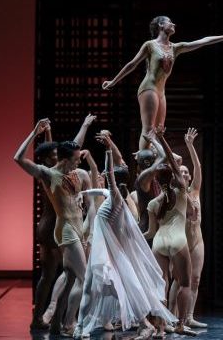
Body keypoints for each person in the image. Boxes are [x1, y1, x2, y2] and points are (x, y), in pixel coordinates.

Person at [73, 144, 177, 338]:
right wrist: (83, 193)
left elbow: (110, 179)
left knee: (122, 291)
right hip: (104, 252)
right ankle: (80, 327)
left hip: (109, 255)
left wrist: (108, 152)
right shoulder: (111, 196)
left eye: (107, 173)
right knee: (92, 287)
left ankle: (144, 324)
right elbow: (100, 190)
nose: (105, 175)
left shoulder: (116, 198)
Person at [103, 15, 223, 150]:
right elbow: (132, 64)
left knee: (159, 131)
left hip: (161, 91)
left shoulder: (175, 47)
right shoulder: (150, 45)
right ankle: (144, 160)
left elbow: (202, 42)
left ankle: (157, 162)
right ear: (161, 25)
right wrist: (114, 81)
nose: (173, 24)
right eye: (170, 22)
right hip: (149, 88)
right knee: (148, 128)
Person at [15, 119, 94, 336]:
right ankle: (71, 323)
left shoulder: (71, 170)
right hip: (62, 228)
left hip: (77, 227)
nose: (78, 162)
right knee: (80, 277)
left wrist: (85, 126)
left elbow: (72, 146)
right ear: (66, 159)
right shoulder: (49, 174)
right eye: (76, 160)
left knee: (68, 279)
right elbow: (18, 158)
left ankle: (58, 324)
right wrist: (34, 132)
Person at [143, 129, 198, 336]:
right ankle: (181, 324)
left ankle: (160, 326)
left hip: (159, 242)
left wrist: (133, 239)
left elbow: (149, 232)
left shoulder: (153, 203)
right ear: (174, 176)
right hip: (177, 240)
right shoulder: (181, 190)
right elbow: (172, 161)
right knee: (185, 283)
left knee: (161, 285)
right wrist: (161, 138)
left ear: (157, 181)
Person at [180, 128, 208, 328]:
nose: (185, 174)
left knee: (195, 279)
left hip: (197, 240)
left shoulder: (195, 191)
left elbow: (198, 167)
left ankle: (189, 316)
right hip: (180, 240)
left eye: (186, 172)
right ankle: (174, 316)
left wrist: (190, 145)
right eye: (181, 172)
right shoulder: (175, 194)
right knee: (179, 281)